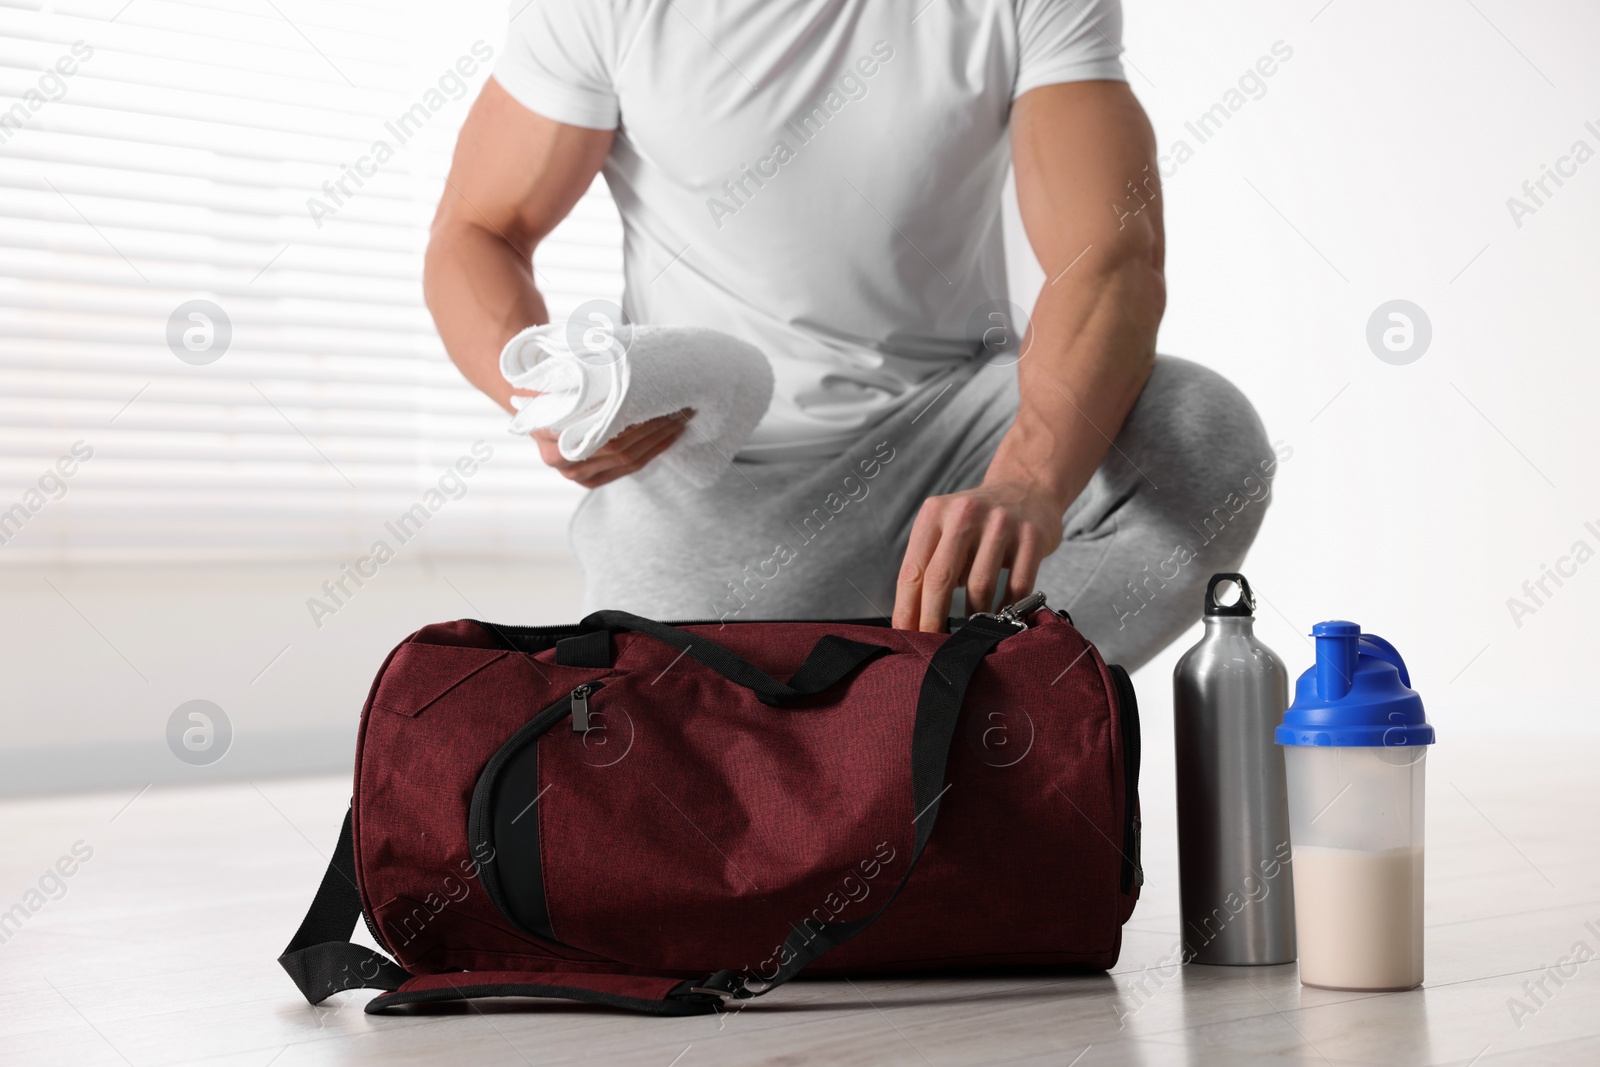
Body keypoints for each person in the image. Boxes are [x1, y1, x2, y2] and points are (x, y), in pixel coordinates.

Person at [424, 0, 1276, 670]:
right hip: (712, 479)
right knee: (706, 808)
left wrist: (1027, 485)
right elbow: (478, 232)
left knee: (1198, 438)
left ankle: (949, 722)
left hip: (953, 451)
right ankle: (883, 734)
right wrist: (546, 399)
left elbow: (1111, 255)